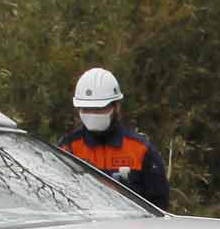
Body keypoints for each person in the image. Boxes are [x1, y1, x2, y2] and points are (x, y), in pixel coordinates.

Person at [60, 66, 170, 208]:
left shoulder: (140, 149)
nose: (92, 114)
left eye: (99, 108)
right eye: (86, 109)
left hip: (132, 228)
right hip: (84, 228)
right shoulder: (68, 149)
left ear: (116, 106)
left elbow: (159, 205)